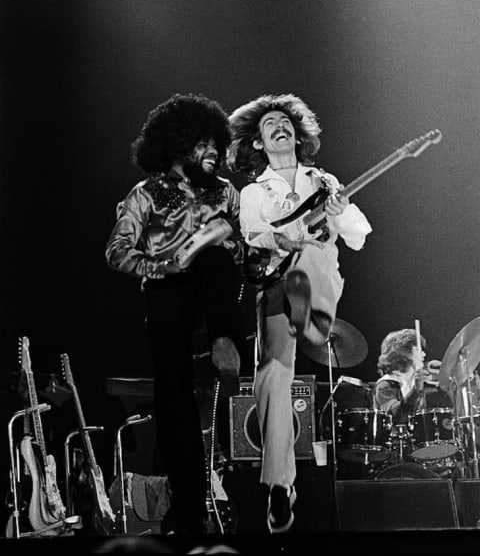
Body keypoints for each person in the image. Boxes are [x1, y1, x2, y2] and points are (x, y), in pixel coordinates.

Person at [227, 93, 372, 533]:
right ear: (258, 142)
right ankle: (278, 485)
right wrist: (280, 239)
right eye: (270, 123)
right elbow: (253, 233)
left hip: (318, 277)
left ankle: (310, 316)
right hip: (276, 284)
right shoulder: (255, 192)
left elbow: (360, 236)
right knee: (273, 373)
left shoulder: (324, 181)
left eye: (286, 121)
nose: (279, 126)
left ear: (298, 134)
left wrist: (341, 211)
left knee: (309, 264)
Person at [105, 93, 246, 537]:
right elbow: (116, 250)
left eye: (216, 145)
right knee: (174, 395)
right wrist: (162, 266)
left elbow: (245, 250)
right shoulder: (145, 193)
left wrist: (233, 244)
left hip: (216, 293)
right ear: (179, 145)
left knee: (219, 257)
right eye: (203, 144)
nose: (214, 153)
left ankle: (226, 342)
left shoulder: (226, 192)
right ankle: (189, 510)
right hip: (167, 292)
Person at [373, 329, 430, 424]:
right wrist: (415, 391)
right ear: (403, 353)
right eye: (417, 349)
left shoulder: (413, 382)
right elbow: (394, 415)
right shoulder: (385, 384)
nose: (423, 354)